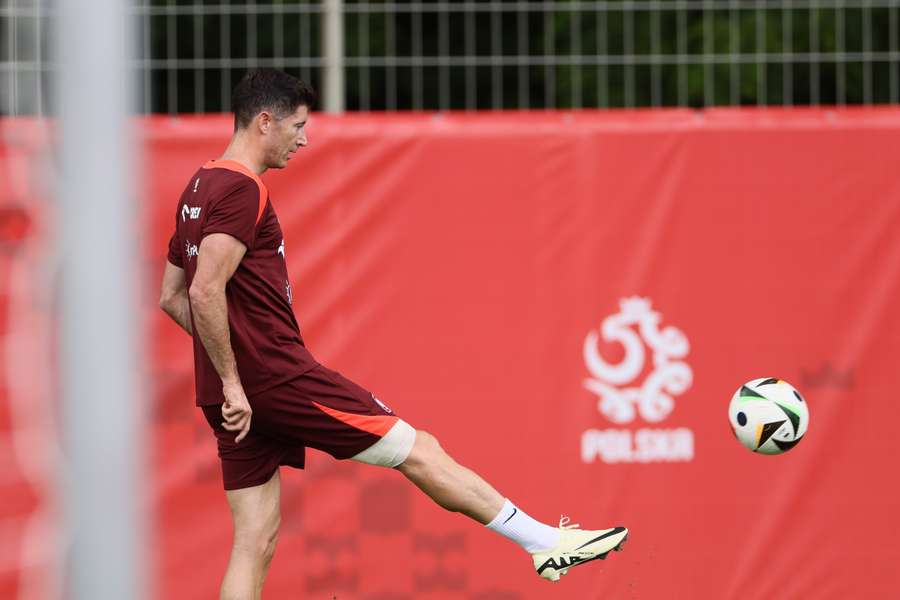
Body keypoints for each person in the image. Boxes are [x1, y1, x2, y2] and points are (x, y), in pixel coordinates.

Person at [158, 69, 628, 599]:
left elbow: (171, 296)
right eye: (298, 125)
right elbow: (201, 293)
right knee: (417, 449)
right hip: (275, 379)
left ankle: (541, 540)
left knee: (254, 539)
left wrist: (232, 375)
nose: (304, 139)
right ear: (264, 121)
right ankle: (541, 541)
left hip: (237, 390)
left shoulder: (198, 184)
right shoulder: (245, 189)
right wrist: (240, 379)